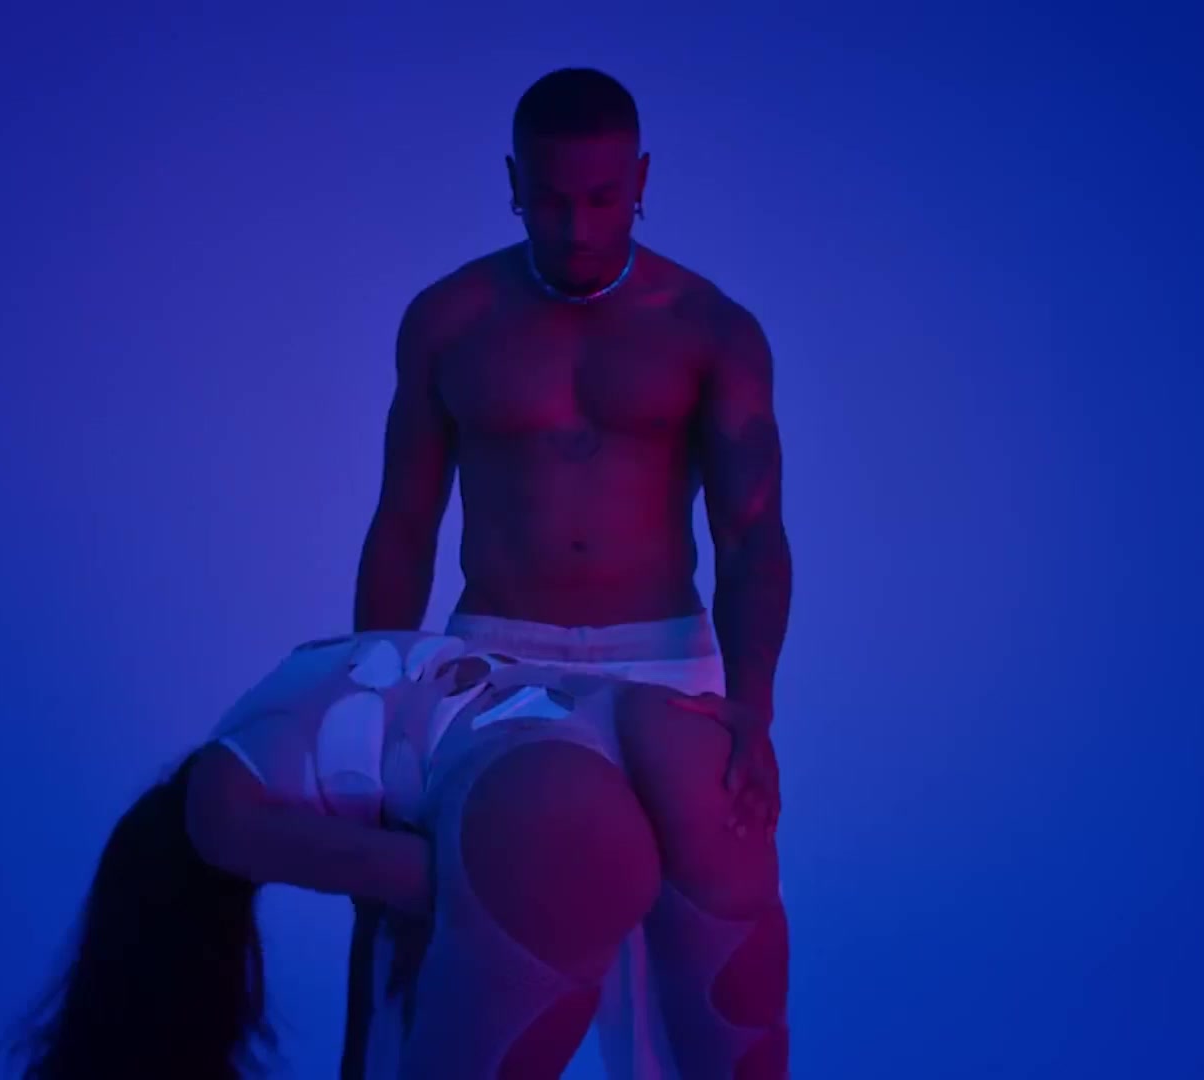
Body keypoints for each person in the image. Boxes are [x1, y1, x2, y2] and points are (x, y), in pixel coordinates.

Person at [351, 67, 794, 1079]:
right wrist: (378, 698)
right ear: (512, 182)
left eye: (603, 198)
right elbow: (405, 524)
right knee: (451, 944)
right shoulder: (450, 320)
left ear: (642, 180)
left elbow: (753, 535)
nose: (579, 227)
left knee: (697, 978)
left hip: (665, 660)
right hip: (494, 660)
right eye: (552, 199)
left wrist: (755, 712)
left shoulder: (711, 329)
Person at [6, 631, 789, 1079]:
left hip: (540, 789)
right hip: (668, 729)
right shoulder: (290, 682)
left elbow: (424, 880)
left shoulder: (212, 810)